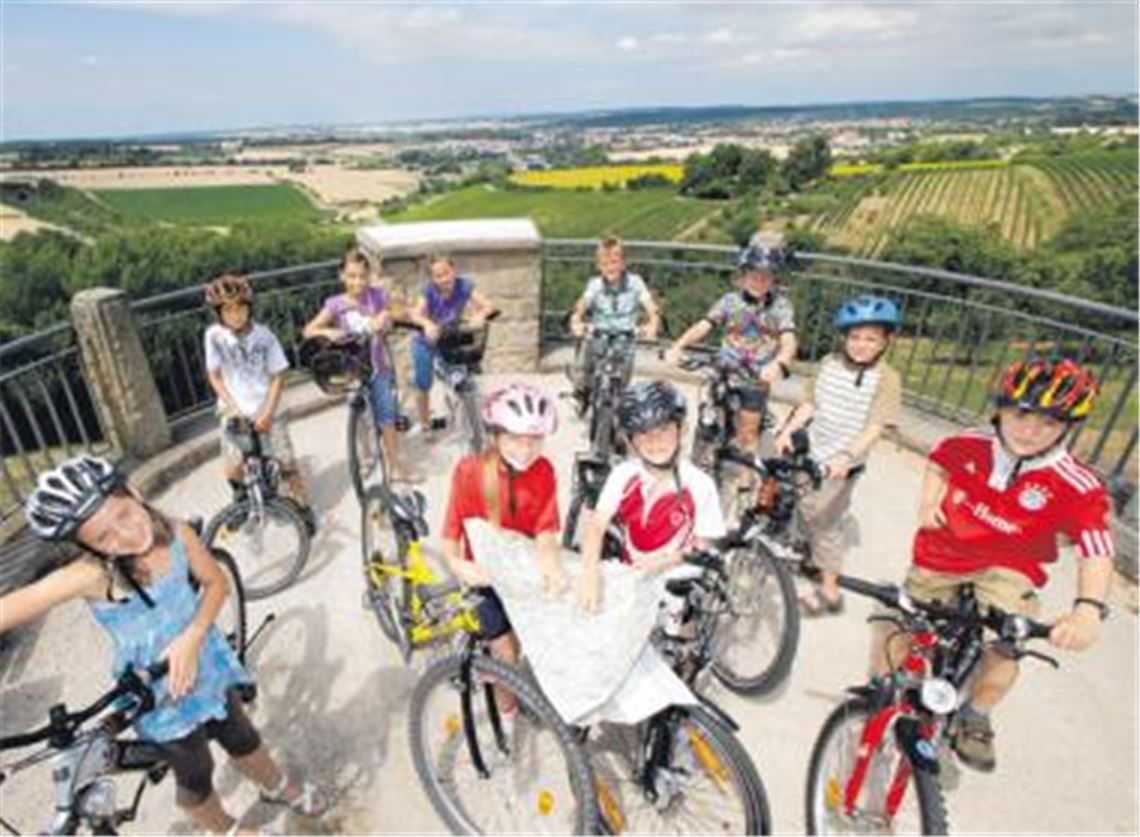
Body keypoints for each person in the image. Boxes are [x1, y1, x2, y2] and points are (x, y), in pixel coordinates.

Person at [3, 456, 326, 834]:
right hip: (157, 691)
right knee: (195, 772)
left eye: (124, 514)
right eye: (103, 537)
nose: (124, 535)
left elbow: (216, 584)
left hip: (204, 661)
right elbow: (14, 605)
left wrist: (192, 638)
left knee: (240, 733)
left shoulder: (175, 534)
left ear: (136, 494)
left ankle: (276, 786)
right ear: (88, 548)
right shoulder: (94, 574)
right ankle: (226, 828)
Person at [881, 357, 1114, 773]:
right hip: (945, 550)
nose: (1030, 431)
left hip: (1011, 564)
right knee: (904, 621)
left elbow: (1096, 547)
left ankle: (977, 714)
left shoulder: (1076, 484)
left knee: (1008, 642)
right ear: (1001, 409)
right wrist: (929, 502)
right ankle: (887, 686)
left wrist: (1088, 609)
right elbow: (939, 461)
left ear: (1066, 429)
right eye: (1021, 415)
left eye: (1049, 423)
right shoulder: (970, 442)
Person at [440, 383, 568, 716]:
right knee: (507, 655)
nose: (526, 449)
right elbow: (451, 529)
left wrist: (551, 562)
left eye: (534, 440)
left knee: (523, 636)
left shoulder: (544, 471)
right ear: (495, 436)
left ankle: (501, 674)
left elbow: (544, 527)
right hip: (483, 573)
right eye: (515, 439)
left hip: (520, 569)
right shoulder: (470, 472)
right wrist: (456, 564)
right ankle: (507, 713)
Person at [774, 295, 903, 616]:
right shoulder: (828, 364)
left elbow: (875, 427)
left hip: (843, 464)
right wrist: (789, 429)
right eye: (855, 337)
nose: (861, 345)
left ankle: (829, 591)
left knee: (827, 525)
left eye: (871, 339)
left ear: (885, 341)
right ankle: (806, 553)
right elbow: (810, 404)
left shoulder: (887, 378)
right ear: (844, 337)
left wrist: (846, 458)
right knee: (804, 503)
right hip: (813, 451)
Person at [576, 381, 727, 637]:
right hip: (635, 576)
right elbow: (596, 524)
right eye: (642, 433)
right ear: (630, 440)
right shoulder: (624, 474)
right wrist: (590, 573)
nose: (654, 441)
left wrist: (664, 561)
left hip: (681, 575)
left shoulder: (700, 484)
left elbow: (705, 545)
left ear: (682, 429)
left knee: (681, 640)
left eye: (664, 430)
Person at [665, 236, 797, 455]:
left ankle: (746, 479)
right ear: (743, 276)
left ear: (774, 279)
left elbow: (789, 339)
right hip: (724, 369)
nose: (758, 280)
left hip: (756, 375)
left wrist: (779, 363)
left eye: (766, 276)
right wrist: (678, 346)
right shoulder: (730, 301)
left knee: (748, 433)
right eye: (753, 275)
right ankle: (702, 460)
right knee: (707, 417)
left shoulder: (781, 306)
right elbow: (705, 324)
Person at [203, 273, 315, 530]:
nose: (235, 314)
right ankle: (242, 496)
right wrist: (230, 406)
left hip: (266, 407)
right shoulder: (214, 336)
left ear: (249, 308)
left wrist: (267, 412)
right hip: (234, 410)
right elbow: (214, 374)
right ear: (219, 313)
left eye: (240, 307)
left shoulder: (265, 336)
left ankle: (303, 506)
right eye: (228, 310)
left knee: (285, 462)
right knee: (232, 466)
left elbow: (278, 375)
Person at [302, 246, 418, 482]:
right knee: (362, 418)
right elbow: (308, 330)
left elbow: (398, 310)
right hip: (351, 369)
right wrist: (331, 331)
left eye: (363, 276)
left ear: (369, 276)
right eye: (352, 276)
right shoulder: (335, 304)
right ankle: (366, 457)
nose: (358, 282)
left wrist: (387, 316)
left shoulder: (377, 296)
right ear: (342, 276)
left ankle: (394, 464)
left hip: (378, 365)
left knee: (386, 416)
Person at [405, 253, 497, 435]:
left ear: (453, 270)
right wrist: (427, 324)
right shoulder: (428, 292)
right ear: (432, 278)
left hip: (448, 336)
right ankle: (425, 424)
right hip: (426, 341)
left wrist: (481, 314)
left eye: (447, 273)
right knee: (424, 382)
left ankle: (469, 413)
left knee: (462, 370)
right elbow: (415, 314)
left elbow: (489, 305)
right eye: (438, 276)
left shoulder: (464, 285)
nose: (444, 279)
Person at [569, 237, 661, 411]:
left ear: (623, 263)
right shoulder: (595, 284)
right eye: (605, 263)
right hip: (600, 332)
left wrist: (653, 323)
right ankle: (581, 391)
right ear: (598, 266)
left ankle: (618, 403)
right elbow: (584, 302)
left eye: (614, 262)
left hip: (625, 333)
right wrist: (577, 319)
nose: (610, 268)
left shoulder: (635, 282)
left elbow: (649, 304)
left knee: (623, 375)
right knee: (585, 361)